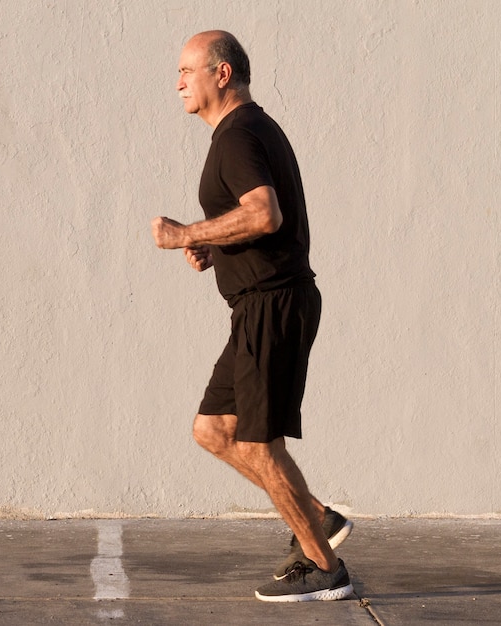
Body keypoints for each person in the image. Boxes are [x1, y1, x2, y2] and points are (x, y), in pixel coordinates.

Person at [151, 30, 354, 602]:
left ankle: (326, 569)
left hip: (273, 304)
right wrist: (216, 244)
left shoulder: (239, 134)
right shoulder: (244, 132)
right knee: (212, 429)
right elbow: (257, 219)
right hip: (259, 306)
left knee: (260, 443)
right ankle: (317, 517)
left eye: (187, 71)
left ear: (222, 74)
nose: (178, 83)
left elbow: (264, 214)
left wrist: (187, 232)